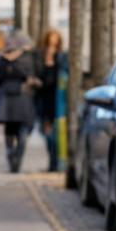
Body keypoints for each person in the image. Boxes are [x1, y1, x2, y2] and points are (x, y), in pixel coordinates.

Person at [0, 30, 39, 173]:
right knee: (22, 131)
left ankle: (11, 156)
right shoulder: (29, 57)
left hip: (7, 96)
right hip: (24, 96)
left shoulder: (1, 58)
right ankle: (18, 158)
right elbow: (32, 74)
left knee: (9, 130)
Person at [34, 28, 67, 172]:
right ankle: (51, 159)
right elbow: (38, 73)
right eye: (50, 39)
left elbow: (63, 75)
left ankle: (54, 162)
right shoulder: (40, 55)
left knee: (55, 133)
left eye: (55, 40)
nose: (52, 43)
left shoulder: (62, 56)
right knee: (45, 131)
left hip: (56, 100)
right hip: (43, 98)